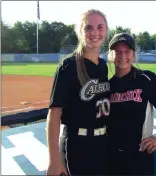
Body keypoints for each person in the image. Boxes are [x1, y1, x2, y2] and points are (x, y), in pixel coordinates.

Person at [46, 9, 110, 176]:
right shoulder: (68, 66)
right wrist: (54, 160)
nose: (94, 32)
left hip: (101, 144)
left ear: (106, 31)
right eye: (88, 27)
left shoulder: (102, 65)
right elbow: (54, 115)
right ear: (80, 32)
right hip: (76, 146)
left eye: (100, 27)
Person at [107, 33, 156, 175]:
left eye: (127, 51)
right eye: (118, 52)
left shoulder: (146, 79)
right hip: (112, 156)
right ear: (111, 55)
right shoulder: (107, 86)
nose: (122, 56)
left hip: (139, 156)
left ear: (133, 54)